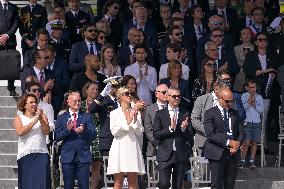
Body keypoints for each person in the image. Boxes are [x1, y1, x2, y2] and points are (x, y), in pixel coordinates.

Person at [203, 88, 245, 189]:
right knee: (216, 185)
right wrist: (229, 142)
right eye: (227, 101)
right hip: (217, 152)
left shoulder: (235, 113)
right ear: (219, 99)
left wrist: (237, 144)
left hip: (233, 154)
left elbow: (242, 132)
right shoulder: (210, 113)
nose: (229, 104)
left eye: (232, 101)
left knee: (229, 185)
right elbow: (210, 134)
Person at [55, 91, 96, 189]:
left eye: (79, 101)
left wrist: (83, 131)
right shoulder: (61, 118)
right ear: (68, 102)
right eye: (75, 101)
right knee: (68, 186)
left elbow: (93, 135)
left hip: (83, 156)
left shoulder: (87, 116)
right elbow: (56, 137)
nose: (77, 103)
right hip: (68, 156)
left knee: (84, 186)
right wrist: (67, 130)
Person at [153, 87, 192, 189]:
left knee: (178, 185)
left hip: (180, 153)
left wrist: (184, 129)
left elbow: (190, 137)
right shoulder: (160, 114)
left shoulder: (185, 113)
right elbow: (156, 134)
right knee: (164, 183)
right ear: (168, 97)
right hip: (165, 153)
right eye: (174, 96)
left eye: (179, 96)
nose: (177, 98)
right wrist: (170, 129)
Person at [107, 87, 145, 189]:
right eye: (126, 94)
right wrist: (129, 120)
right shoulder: (114, 113)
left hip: (132, 145)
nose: (129, 95)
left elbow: (139, 131)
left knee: (133, 182)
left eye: (130, 94)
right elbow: (115, 132)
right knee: (118, 181)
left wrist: (135, 118)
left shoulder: (136, 111)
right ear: (120, 97)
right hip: (119, 146)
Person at [14, 94, 51, 188]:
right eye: (31, 102)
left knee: (42, 184)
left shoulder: (43, 116)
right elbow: (20, 132)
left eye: (35, 102)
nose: (34, 104)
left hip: (42, 153)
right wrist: (35, 120)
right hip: (26, 155)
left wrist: (41, 119)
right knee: (28, 185)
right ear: (24, 104)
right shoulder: (18, 118)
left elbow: (46, 131)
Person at [191, 79, 230, 155]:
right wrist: (209, 132)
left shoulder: (228, 100)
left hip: (223, 144)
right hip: (204, 141)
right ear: (216, 89)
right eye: (224, 91)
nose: (226, 94)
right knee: (203, 167)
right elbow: (194, 120)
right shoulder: (201, 100)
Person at [81, 82, 101, 189]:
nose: (95, 91)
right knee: (83, 165)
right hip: (84, 136)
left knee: (96, 165)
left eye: (97, 89)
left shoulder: (100, 104)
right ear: (86, 90)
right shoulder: (80, 104)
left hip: (97, 136)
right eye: (92, 89)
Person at [239, 79, 263, 169]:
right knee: (246, 141)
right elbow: (242, 110)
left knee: (254, 142)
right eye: (251, 87)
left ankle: (252, 161)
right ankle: (242, 160)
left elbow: (261, 111)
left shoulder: (259, 97)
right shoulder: (244, 96)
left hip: (256, 122)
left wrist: (255, 105)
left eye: (255, 87)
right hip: (247, 122)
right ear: (247, 88)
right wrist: (248, 103)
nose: (254, 89)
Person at [0, 0, 19, 96]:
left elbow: (16, 23)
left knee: (11, 65)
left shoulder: (14, 7)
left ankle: (11, 88)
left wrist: (7, 35)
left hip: (10, 40)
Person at [144, 84, 168, 157]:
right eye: (164, 92)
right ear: (156, 94)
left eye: (168, 92)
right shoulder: (150, 109)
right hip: (154, 148)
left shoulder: (173, 108)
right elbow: (148, 129)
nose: (166, 94)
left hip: (171, 148)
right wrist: (158, 144)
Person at [233, 27, 254, 93]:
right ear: (240, 37)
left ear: (251, 36)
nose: (246, 35)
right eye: (244, 33)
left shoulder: (255, 48)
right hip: (239, 75)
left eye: (248, 33)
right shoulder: (236, 48)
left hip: (252, 76)